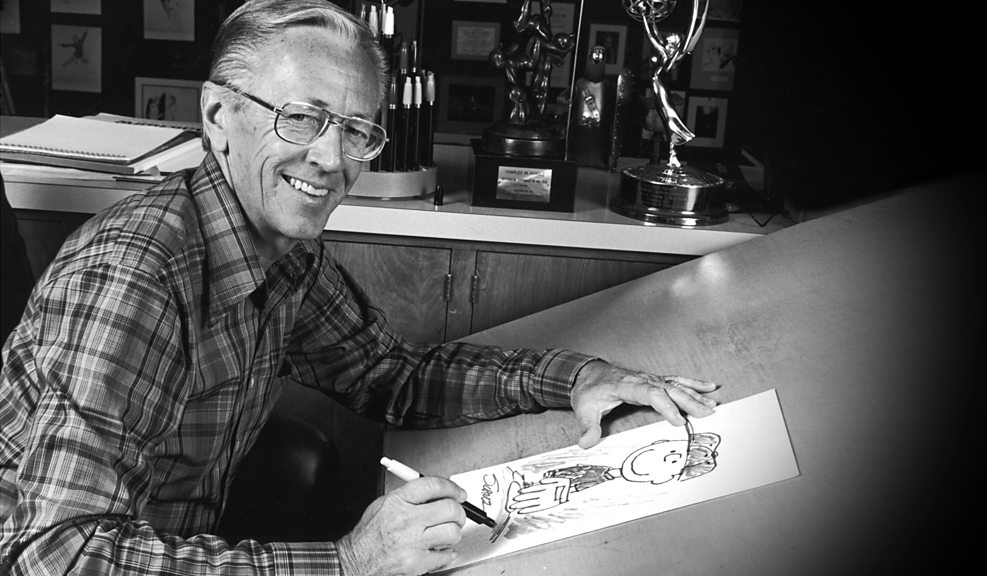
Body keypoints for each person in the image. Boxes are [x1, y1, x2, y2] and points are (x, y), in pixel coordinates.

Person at [0, 1, 718, 574]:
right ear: (219, 117)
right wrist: (348, 563)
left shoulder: (281, 250)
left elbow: (390, 375)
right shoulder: (136, 276)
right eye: (300, 118)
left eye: (355, 130)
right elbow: (56, 554)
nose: (331, 158)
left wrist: (578, 379)